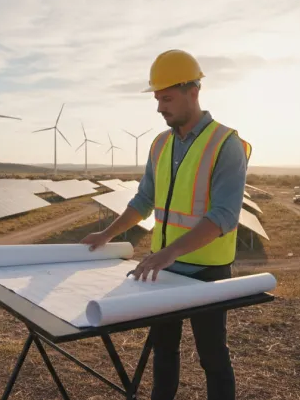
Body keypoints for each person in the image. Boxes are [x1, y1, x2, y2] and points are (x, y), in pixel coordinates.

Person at [80, 49, 251, 400]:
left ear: (194, 92)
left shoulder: (226, 144)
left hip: (207, 272)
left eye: (167, 98)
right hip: (164, 268)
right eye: (157, 99)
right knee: (163, 351)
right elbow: (144, 200)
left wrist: (169, 252)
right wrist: (108, 233)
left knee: (212, 356)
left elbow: (223, 215)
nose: (159, 107)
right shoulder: (160, 144)